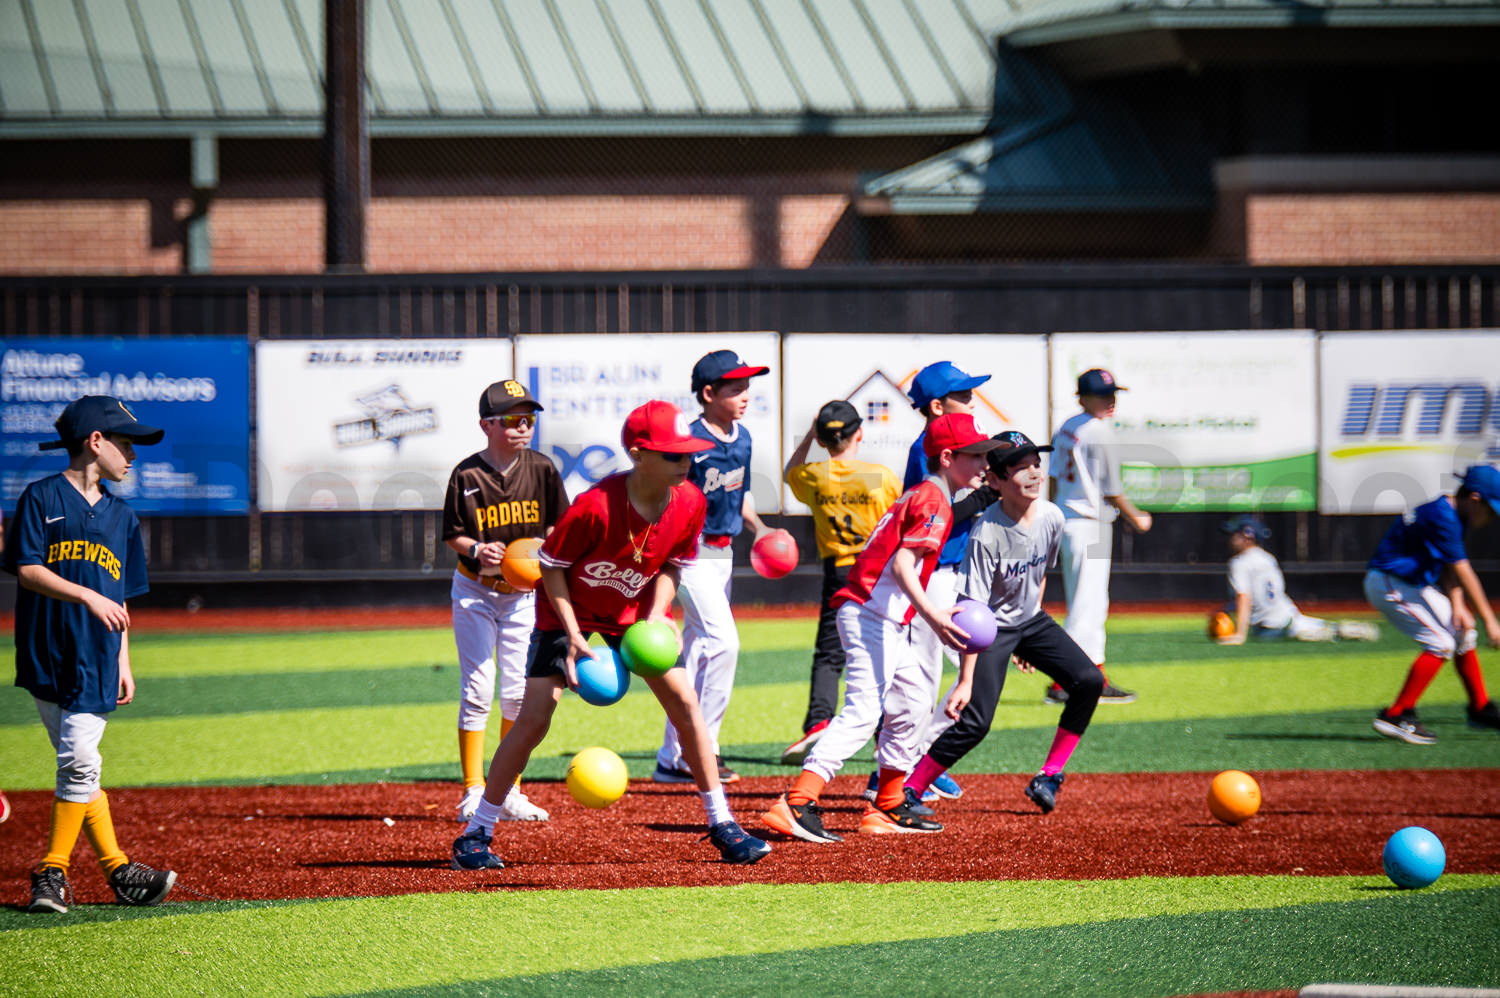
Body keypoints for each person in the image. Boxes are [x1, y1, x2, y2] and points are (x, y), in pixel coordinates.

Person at [452, 400, 771, 868]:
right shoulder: (595, 506)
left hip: (633, 614)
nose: (687, 462)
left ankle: (722, 823)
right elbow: (551, 569)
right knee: (534, 718)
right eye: (673, 455)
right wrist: (575, 637)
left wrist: (660, 615)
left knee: (686, 704)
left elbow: (672, 568)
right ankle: (475, 833)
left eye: (689, 454)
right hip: (566, 613)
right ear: (639, 453)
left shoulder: (691, 502)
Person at [760, 413, 1000, 843]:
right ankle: (798, 800)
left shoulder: (930, 494)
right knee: (864, 711)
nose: (985, 464)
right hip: (869, 613)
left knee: (912, 702)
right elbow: (905, 564)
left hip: (882, 616)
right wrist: (934, 616)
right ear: (948, 457)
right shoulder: (933, 500)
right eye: (977, 455)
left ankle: (889, 802)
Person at [3, 396, 177, 914]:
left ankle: (51, 870)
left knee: (78, 762)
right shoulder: (41, 497)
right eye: (126, 443)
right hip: (44, 652)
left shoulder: (123, 518)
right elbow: (27, 568)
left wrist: (124, 659)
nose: (133, 456)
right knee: (83, 771)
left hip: (97, 658)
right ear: (94, 442)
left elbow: (118, 599)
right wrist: (86, 594)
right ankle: (120, 871)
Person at [904, 431, 1105, 815]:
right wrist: (965, 679)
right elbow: (971, 612)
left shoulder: (1052, 516)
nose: (1033, 473)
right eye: (1019, 467)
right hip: (989, 629)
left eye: (1036, 464)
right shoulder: (986, 534)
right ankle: (911, 788)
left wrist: (1032, 633)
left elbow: (1040, 573)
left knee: (1090, 681)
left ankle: (1049, 776)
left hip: (1031, 621)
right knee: (975, 723)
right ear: (995, 480)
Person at [443, 380, 570, 823]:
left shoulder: (541, 468)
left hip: (522, 597)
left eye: (529, 419)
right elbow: (452, 535)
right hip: (475, 591)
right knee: (478, 688)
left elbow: (559, 526)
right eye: (514, 419)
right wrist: (477, 549)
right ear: (487, 425)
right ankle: (472, 791)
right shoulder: (466, 474)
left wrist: (546, 556)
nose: (524, 427)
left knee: (517, 696)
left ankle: (511, 789)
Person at [653, 350, 771, 785]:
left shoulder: (743, 438)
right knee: (724, 644)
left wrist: (758, 527)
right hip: (690, 555)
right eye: (735, 388)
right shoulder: (689, 440)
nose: (744, 395)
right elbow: (665, 499)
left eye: (747, 386)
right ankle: (702, 748)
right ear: (708, 393)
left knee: (700, 652)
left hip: (723, 555)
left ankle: (672, 757)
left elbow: (738, 498)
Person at [893, 361, 1000, 803]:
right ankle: (900, 769)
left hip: (950, 570)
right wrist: (985, 495)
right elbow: (933, 514)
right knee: (928, 674)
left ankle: (918, 759)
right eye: (964, 395)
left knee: (964, 673)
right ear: (937, 406)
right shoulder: (929, 451)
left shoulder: (960, 450)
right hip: (929, 573)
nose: (972, 400)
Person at [779, 400, 901, 765]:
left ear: (822, 438)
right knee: (886, 651)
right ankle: (886, 733)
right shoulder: (881, 476)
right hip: (877, 572)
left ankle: (819, 722)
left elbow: (790, 472)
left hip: (837, 573)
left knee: (830, 654)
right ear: (858, 433)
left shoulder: (816, 475)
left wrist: (809, 440)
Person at [1365, 465, 1500, 745]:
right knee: (1441, 643)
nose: (1490, 517)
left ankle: (1480, 708)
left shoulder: (1451, 514)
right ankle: (1396, 714)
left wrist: (1459, 606)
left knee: (1464, 634)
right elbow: (1463, 571)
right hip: (1390, 582)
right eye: (1490, 508)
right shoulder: (1443, 516)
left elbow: (1448, 569)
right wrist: (1491, 620)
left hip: (1412, 583)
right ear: (1475, 499)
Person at [1047, 368, 1150, 705]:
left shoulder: (1067, 426)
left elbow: (1053, 479)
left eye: (1112, 394)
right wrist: (1137, 517)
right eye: (1102, 395)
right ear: (1083, 397)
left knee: (1090, 601)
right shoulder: (1098, 432)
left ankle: (1093, 675)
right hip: (1088, 525)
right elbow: (1112, 489)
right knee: (1087, 604)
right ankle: (1067, 682)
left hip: (1070, 521)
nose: (1110, 401)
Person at [1216, 515, 1378, 644]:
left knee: (1276, 635)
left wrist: (1240, 634)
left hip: (1268, 627)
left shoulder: (1239, 563)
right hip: (1288, 613)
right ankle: (1337, 629)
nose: (1230, 538)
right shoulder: (1267, 558)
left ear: (1247, 536)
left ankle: (1313, 634)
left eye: (1234, 534)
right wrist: (1227, 608)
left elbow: (1244, 596)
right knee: (1306, 625)